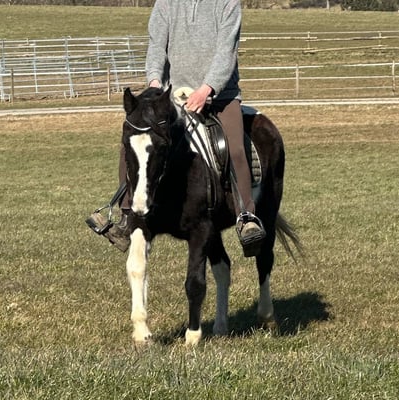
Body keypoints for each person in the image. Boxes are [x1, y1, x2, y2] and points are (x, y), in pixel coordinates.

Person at [86, 0, 265, 256]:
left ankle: (246, 217)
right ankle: (126, 217)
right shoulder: (166, 4)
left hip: (220, 96)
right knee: (133, 143)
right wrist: (155, 82)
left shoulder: (228, 4)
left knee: (235, 149)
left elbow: (227, 51)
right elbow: (157, 44)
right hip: (172, 96)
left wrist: (207, 89)